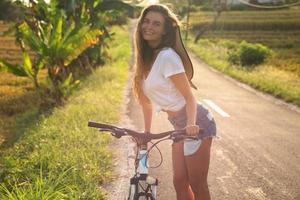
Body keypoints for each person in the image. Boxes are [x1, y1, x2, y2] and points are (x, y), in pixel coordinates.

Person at [132, 4, 217, 200]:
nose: (149, 26)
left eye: (156, 23)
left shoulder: (167, 56)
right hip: (178, 125)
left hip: (197, 122)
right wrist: (146, 133)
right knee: (179, 181)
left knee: (198, 184)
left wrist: (191, 125)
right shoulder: (146, 59)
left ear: (164, 31)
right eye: (146, 21)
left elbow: (189, 97)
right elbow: (146, 102)